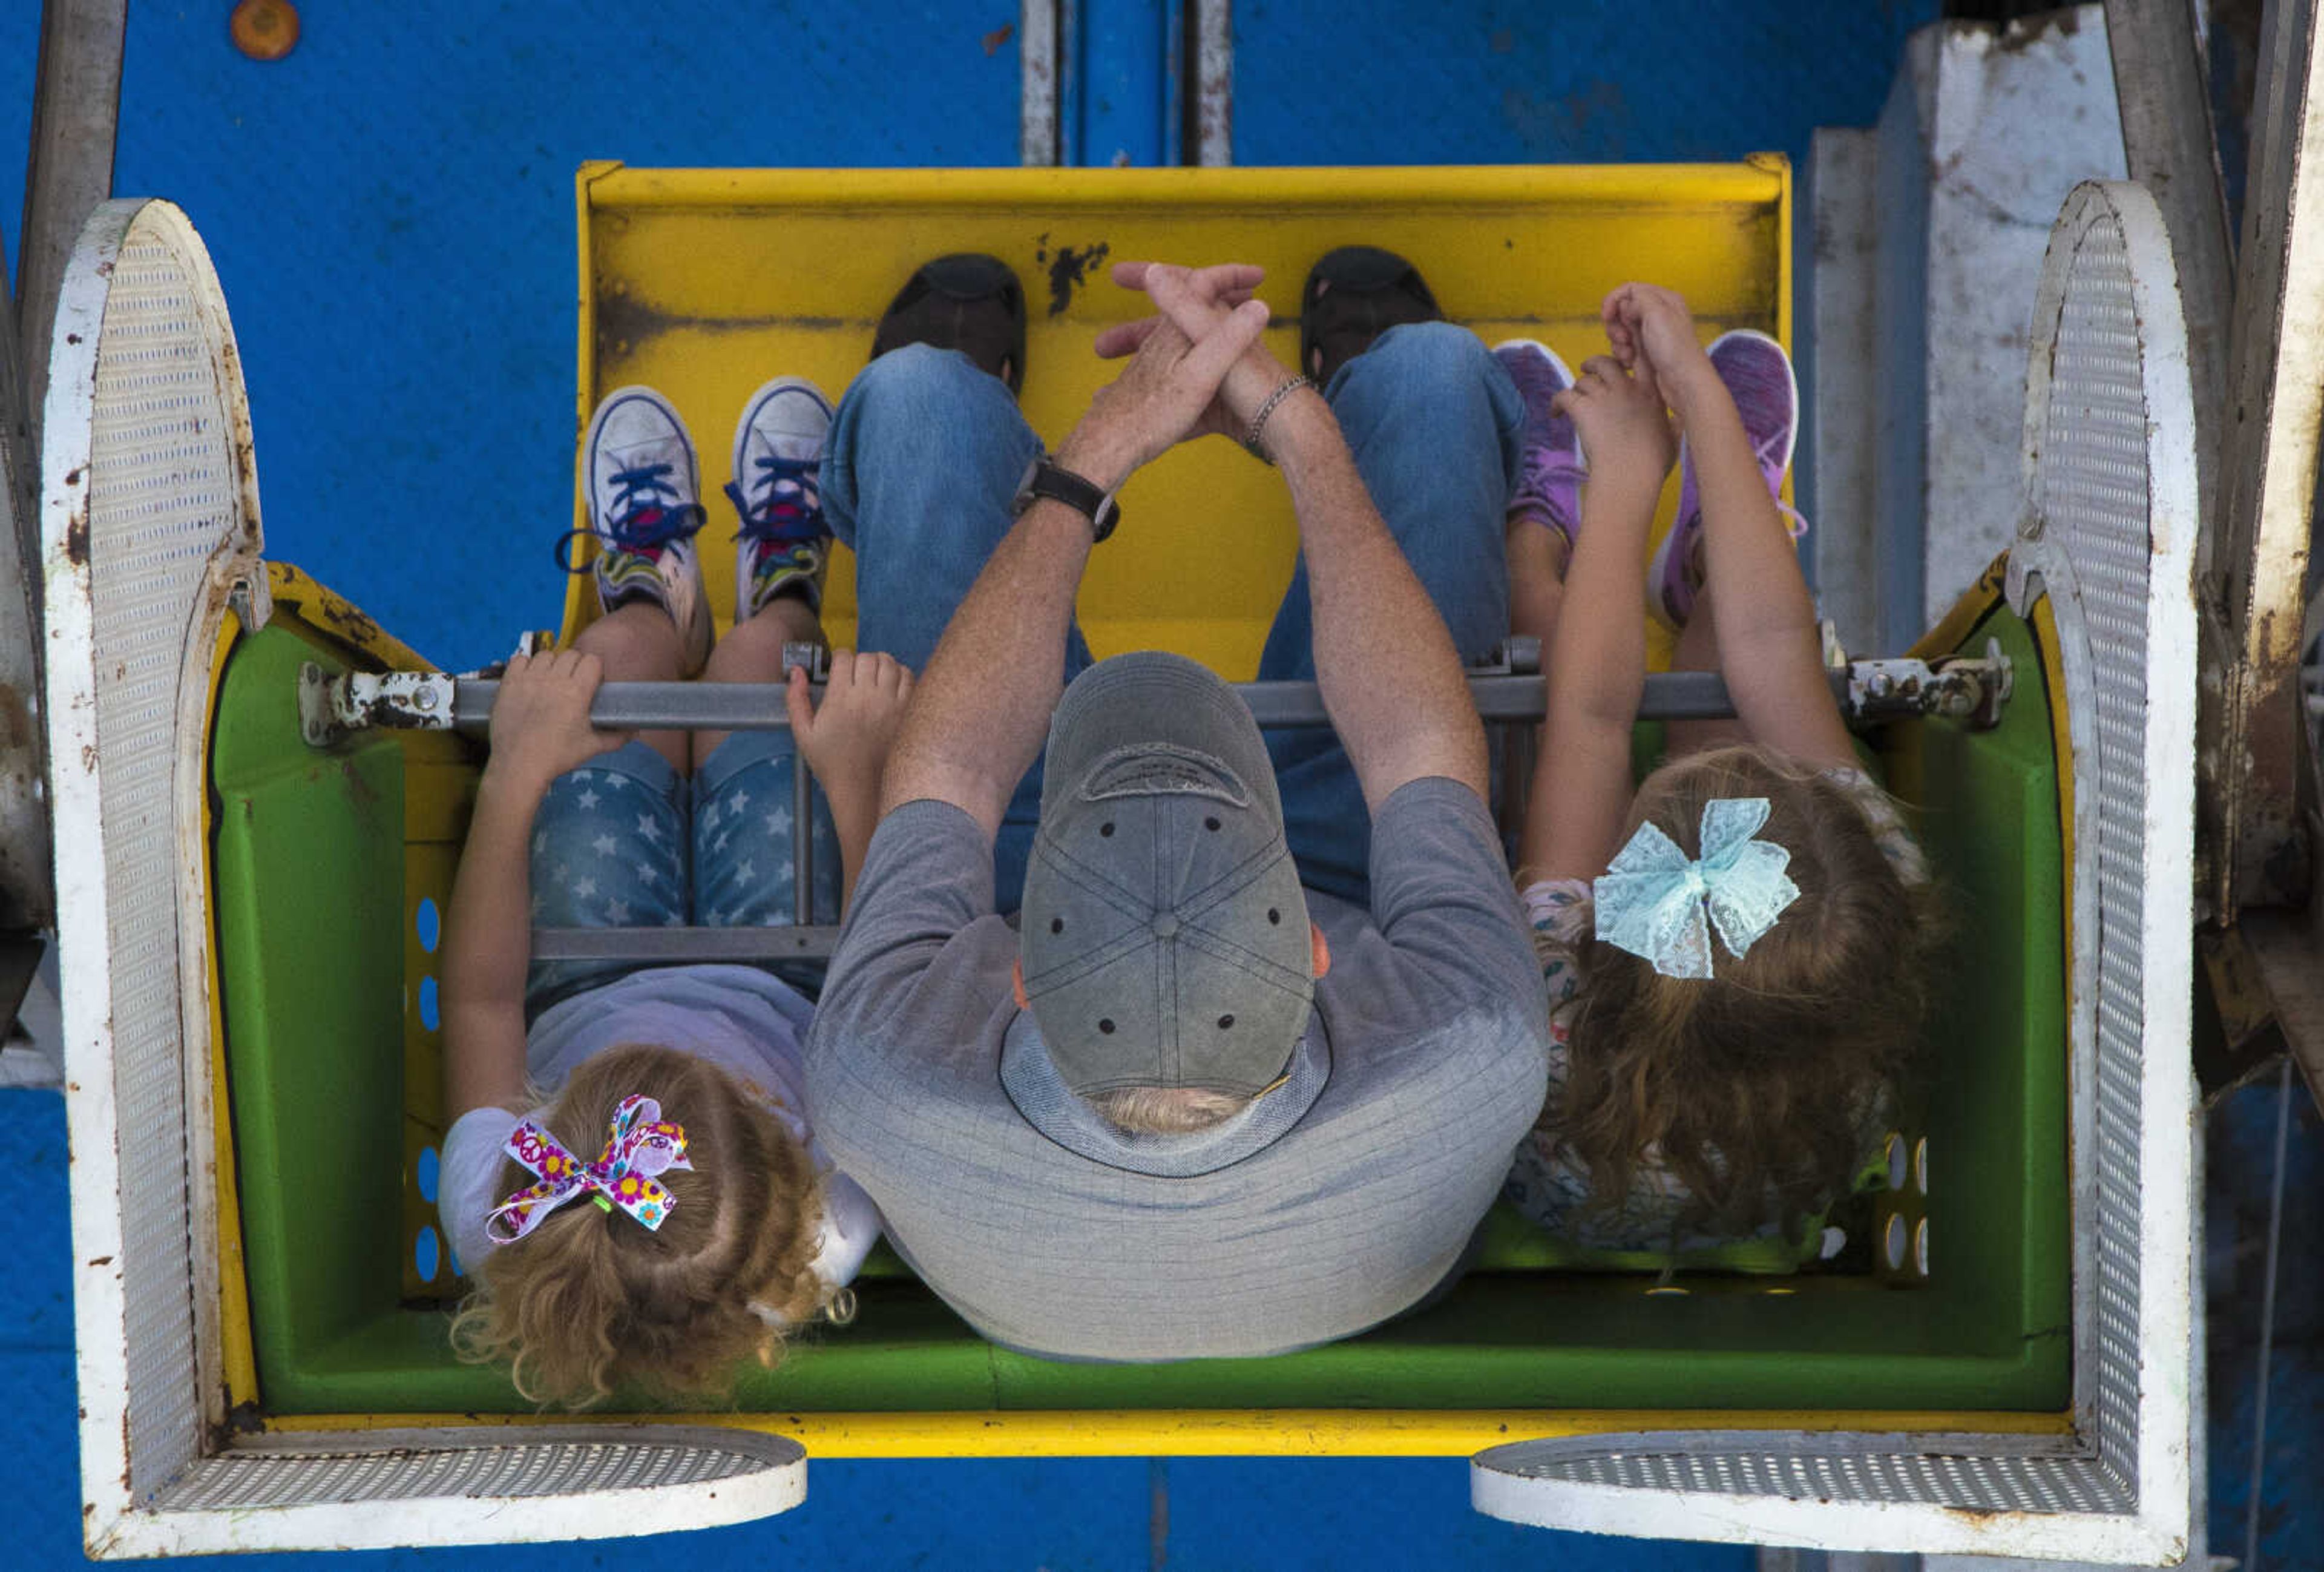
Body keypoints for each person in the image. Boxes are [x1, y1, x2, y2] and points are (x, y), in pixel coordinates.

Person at [803, 249, 1549, 1363]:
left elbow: (953, 777)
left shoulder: (886, 1074)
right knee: (1432, 376)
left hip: (1041, 912)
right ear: (1314, 952)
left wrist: (1100, 449)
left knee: (922, 401)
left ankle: (978, 414)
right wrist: (1297, 432)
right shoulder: (1470, 1051)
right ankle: (1355, 388)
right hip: (1356, 900)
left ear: (1015, 971)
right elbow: (1414, 746)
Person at [437, 378, 909, 1407]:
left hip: (579, 976)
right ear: (782, 1156)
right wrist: (854, 775)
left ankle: (650, 599)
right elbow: (892, 993)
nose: (683, 1032)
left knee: (616, 666)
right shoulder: (830, 1223)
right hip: (793, 978)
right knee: (763, 665)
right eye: (722, 1081)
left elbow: (479, 999)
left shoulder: (503, 1211)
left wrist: (517, 767)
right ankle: (781, 582)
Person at [1494, 283, 1937, 1258]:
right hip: (1761, 1185)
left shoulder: (1556, 998)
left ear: (1612, 903)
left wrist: (1626, 476)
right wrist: (1696, 395)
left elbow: (1594, 717)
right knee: (1743, 674)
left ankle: (1536, 539)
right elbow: (1774, 644)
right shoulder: (1865, 894)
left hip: (1565, 1175)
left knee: (1535, 646)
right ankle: (1711, 553)